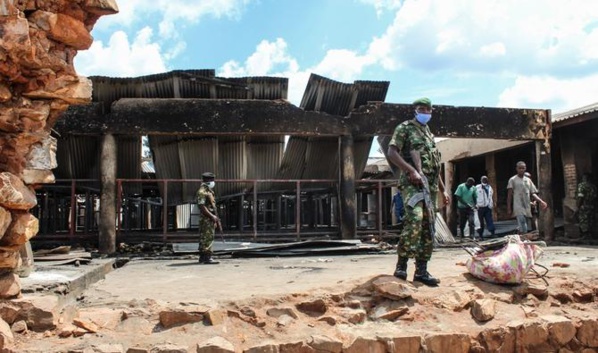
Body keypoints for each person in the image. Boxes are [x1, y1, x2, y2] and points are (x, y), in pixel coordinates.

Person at [387, 97, 450, 287]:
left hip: (429, 188)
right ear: (415, 110)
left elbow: (435, 166)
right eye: (422, 109)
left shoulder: (429, 133)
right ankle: (401, 267)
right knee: (414, 220)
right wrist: (411, 170)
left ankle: (421, 271)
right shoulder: (405, 128)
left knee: (428, 228)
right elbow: (392, 152)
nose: (426, 113)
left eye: (429, 110)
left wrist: (443, 190)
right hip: (412, 185)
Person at [507, 162, 547, 234]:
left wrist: (541, 201)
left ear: (525, 168)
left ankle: (521, 235)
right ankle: (524, 237)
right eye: (520, 168)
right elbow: (509, 195)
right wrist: (509, 208)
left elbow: (533, 193)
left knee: (524, 222)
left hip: (527, 205)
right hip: (518, 205)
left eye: (523, 168)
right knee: (522, 221)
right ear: (516, 169)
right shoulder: (512, 180)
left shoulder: (528, 180)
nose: (521, 170)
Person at [196, 172, 221, 264]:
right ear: (207, 180)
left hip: (209, 218)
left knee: (207, 237)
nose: (213, 182)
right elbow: (201, 206)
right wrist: (212, 216)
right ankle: (206, 257)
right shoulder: (202, 192)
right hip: (206, 219)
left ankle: (203, 257)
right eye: (212, 180)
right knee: (207, 237)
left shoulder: (209, 191)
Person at [575, 173, 597, 239]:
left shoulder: (582, 186)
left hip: (584, 206)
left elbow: (580, 197)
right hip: (592, 206)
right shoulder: (593, 187)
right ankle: (591, 234)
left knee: (583, 220)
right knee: (591, 220)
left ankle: (585, 235)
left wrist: (578, 207)